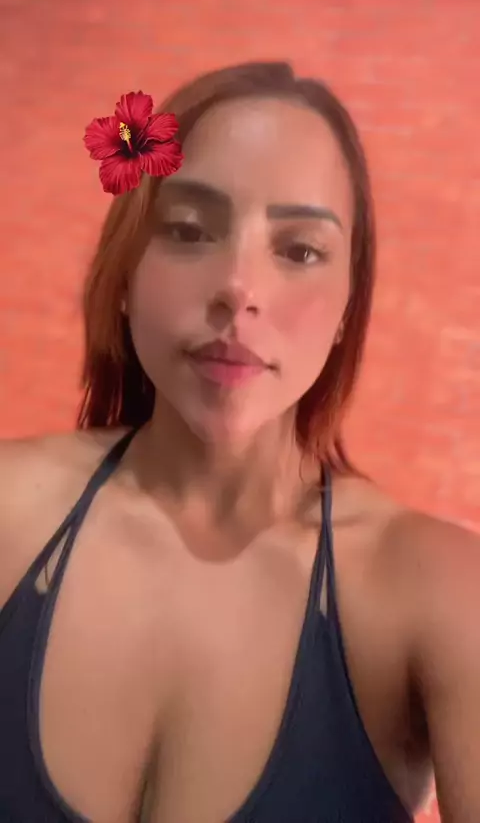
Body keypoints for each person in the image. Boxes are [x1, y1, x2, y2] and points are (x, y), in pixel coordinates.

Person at [0, 61, 478, 823]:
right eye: (189, 231)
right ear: (125, 273)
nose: (239, 289)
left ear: (348, 304)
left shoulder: (439, 593)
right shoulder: (9, 516)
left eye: (300, 250)